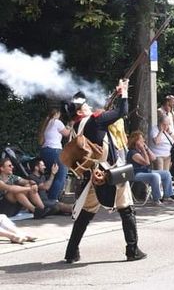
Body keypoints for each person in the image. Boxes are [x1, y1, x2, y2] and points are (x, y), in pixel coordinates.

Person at [61, 81, 146, 263]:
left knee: (86, 214)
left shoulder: (75, 128)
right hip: (109, 173)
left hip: (92, 175)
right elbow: (122, 112)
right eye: (85, 105)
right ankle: (132, 250)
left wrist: (113, 96)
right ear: (79, 111)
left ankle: (71, 252)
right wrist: (123, 92)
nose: (89, 105)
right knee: (127, 209)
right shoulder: (95, 120)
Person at [127, 131, 174, 205]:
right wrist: (143, 150)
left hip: (145, 172)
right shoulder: (133, 153)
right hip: (136, 174)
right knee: (155, 176)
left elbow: (154, 158)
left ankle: (167, 196)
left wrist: (147, 149)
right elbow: (147, 162)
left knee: (166, 173)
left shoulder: (141, 150)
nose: (144, 141)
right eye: (141, 140)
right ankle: (156, 199)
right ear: (136, 141)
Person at [37, 108, 71, 202]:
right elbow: (67, 134)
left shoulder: (46, 123)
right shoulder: (57, 122)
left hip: (45, 151)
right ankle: (53, 201)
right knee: (61, 175)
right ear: (57, 113)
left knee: (53, 174)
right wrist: (70, 126)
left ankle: (49, 198)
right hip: (55, 150)